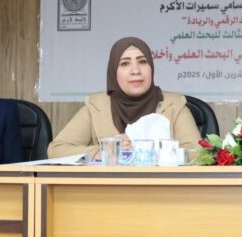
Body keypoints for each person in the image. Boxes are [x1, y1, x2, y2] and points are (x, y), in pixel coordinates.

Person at [48, 36, 200, 159]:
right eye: (125, 63)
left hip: (162, 187)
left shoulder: (174, 104)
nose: (135, 70)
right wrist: (106, 150)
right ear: (114, 71)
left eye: (142, 61)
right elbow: (57, 149)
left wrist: (146, 149)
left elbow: (198, 152)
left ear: (151, 68)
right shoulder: (96, 106)